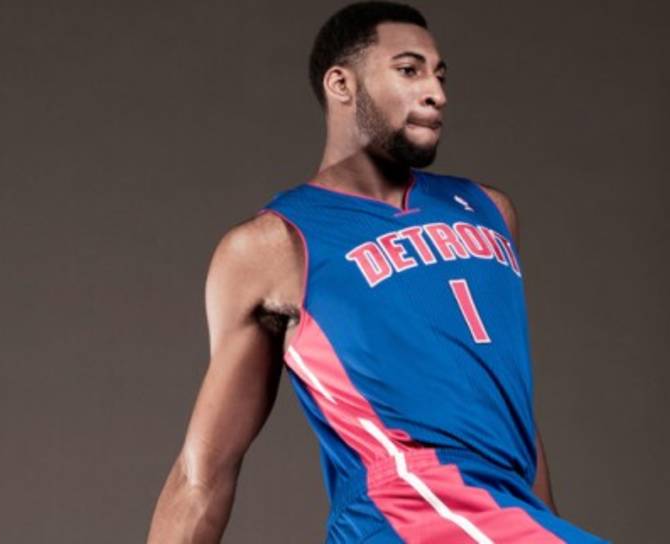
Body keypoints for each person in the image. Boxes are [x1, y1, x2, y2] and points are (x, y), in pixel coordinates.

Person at [147, 2, 609, 542]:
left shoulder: (490, 211)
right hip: (404, 516)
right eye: (409, 70)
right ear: (342, 84)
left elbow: (511, 414)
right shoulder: (273, 247)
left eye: (439, 75)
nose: (435, 92)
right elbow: (203, 475)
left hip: (496, 518)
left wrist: (546, 526)